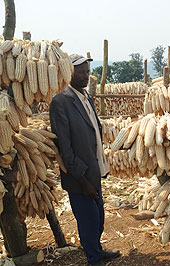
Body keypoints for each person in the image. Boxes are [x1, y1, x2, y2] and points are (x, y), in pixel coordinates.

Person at [49, 54, 120, 266]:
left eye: (87, 72)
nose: (85, 76)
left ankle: (96, 250)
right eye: (80, 72)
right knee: (88, 220)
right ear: (68, 73)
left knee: (98, 219)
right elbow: (65, 148)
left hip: (93, 170)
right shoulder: (60, 102)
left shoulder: (86, 96)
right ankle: (94, 259)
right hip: (79, 177)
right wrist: (82, 179)